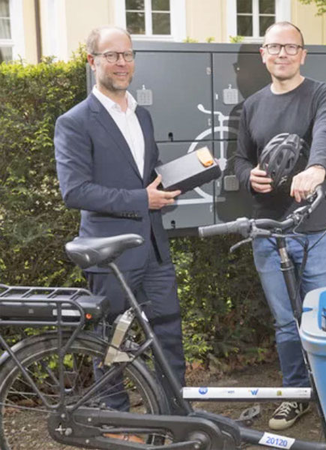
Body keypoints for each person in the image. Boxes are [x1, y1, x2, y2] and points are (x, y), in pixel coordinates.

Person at [54, 26, 186, 414]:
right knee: (109, 342)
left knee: (167, 337)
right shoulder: (75, 121)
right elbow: (74, 191)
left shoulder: (141, 116)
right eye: (111, 55)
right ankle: (114, 420)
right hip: (109, 253)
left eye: (127, 55)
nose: (122, 63)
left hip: (155, 249)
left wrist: (174, 183)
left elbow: (145, 177)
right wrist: (142, 199)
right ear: (92, 61)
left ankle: (174, 417)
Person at [234, 21, 326, 430]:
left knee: (325, 317)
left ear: (303, 54)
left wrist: (316, 169)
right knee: (286, 323)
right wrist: (249, 176)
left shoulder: (323, 94)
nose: (282, 53)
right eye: (274, 47)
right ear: (263, 54)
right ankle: (295, 394)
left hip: (318, 231)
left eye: (290, 47)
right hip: (268, 231)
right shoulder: (251, 106)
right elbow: (240, 159)